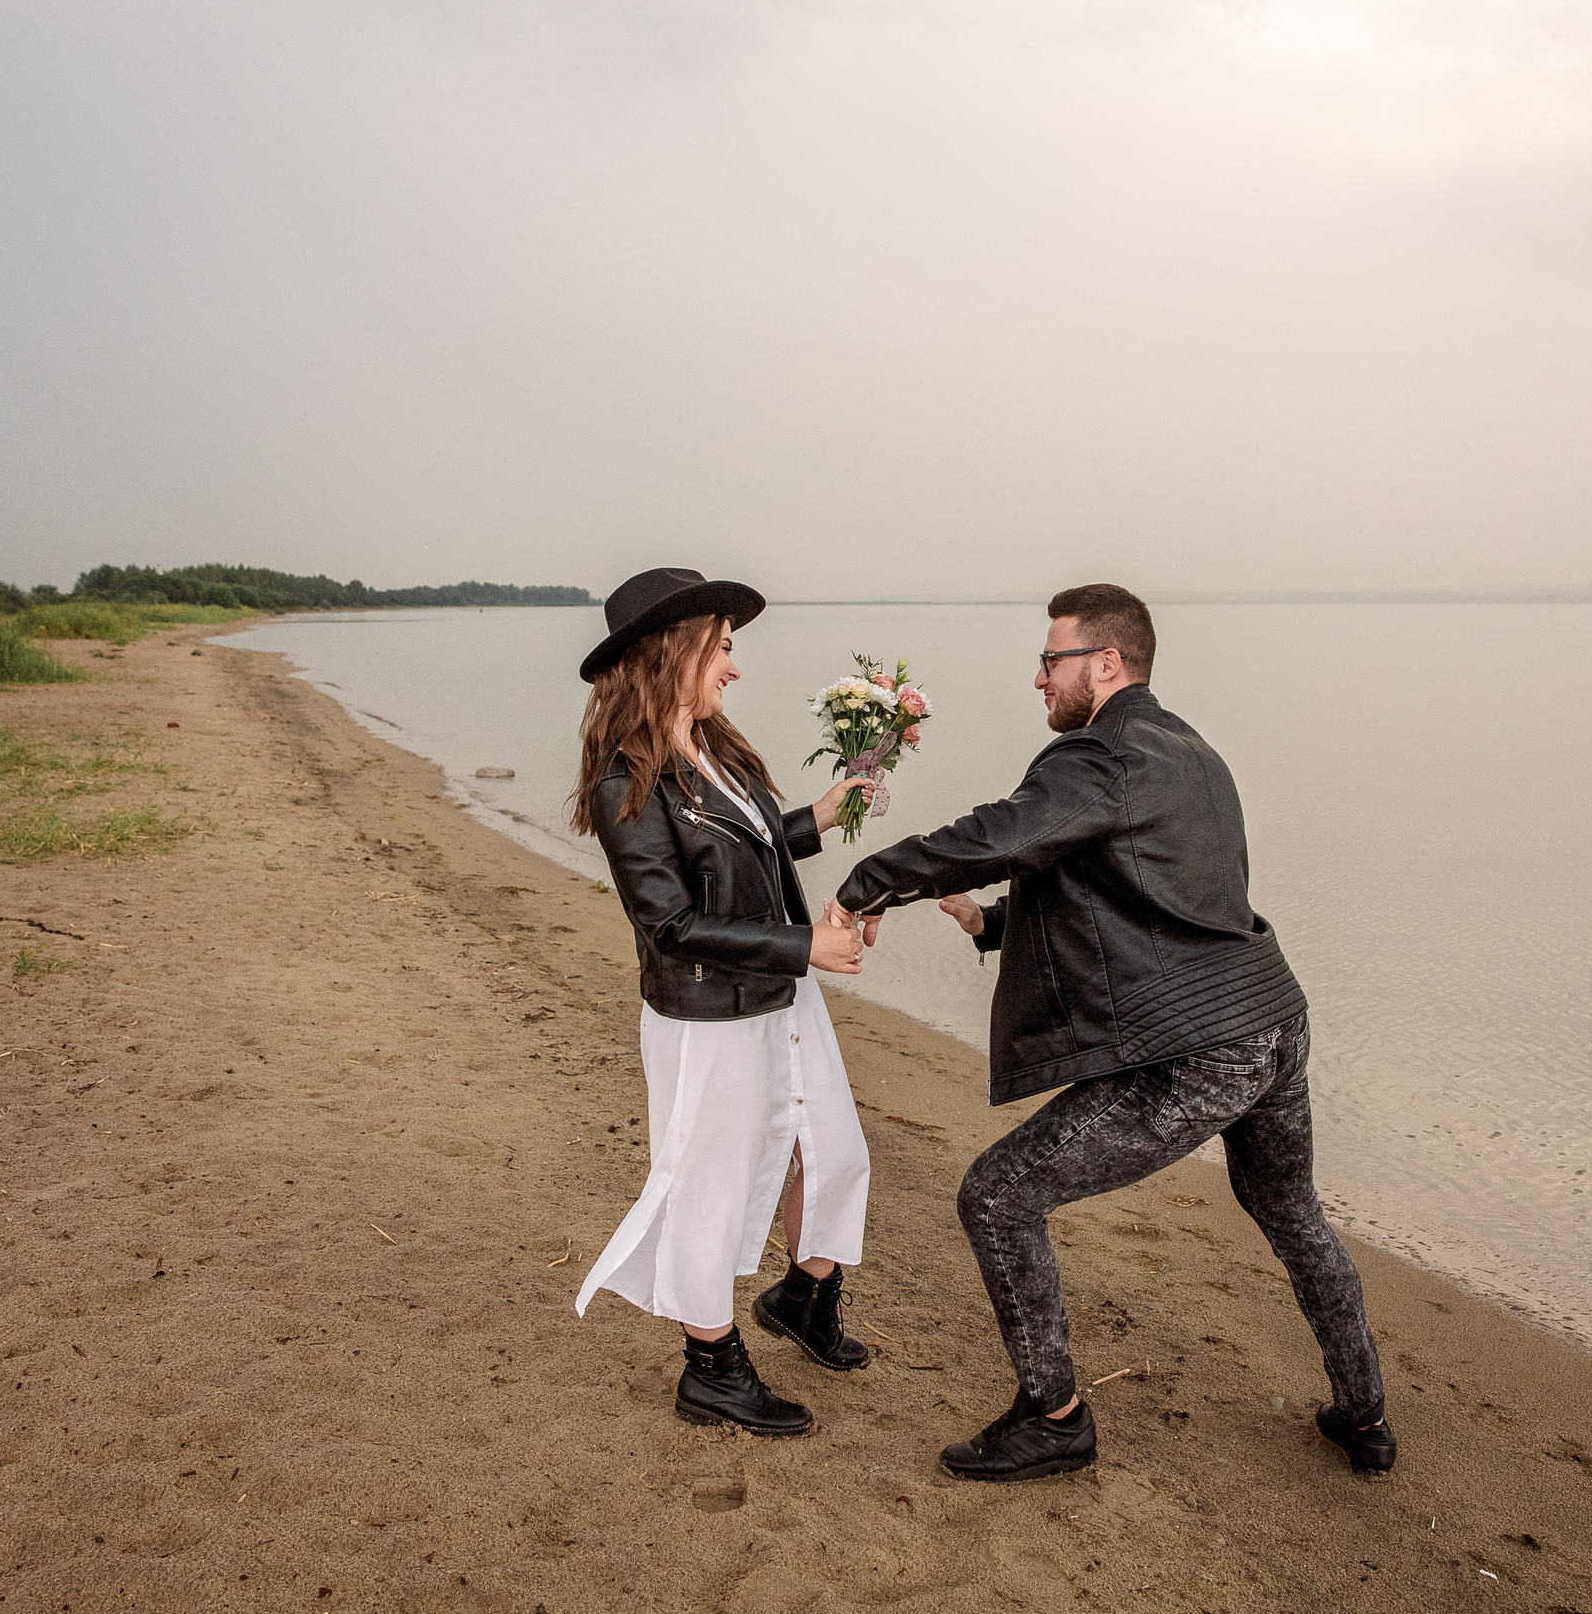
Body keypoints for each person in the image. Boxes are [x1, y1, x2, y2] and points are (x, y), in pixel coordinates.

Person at [829, 582, 1393, 1482]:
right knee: (1294, 1213)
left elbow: (1000, 832)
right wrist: (994, 925)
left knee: (996, 1194)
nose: (1038, 678)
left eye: (1051, 660)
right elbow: (1146, 888)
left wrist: (870, 879)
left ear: (1106, 662)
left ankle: (1053, 1417)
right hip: (1274, 1018)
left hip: (1201, 1048)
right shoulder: (1194, 752)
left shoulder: (1097, 758)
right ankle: (1364, 1413)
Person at [568, 566, 879, 1437]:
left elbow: (755, 845)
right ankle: (710, 1367)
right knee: (711, 1184)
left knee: (835, 1151)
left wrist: (817, 818)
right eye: (723, 649)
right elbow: (669, 922)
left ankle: (805, 1296)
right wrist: (803, 944)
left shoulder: (719, 750)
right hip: (707, 1018)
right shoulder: (625, 783)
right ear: (672, 654)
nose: (733, 668)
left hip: (781, 992)